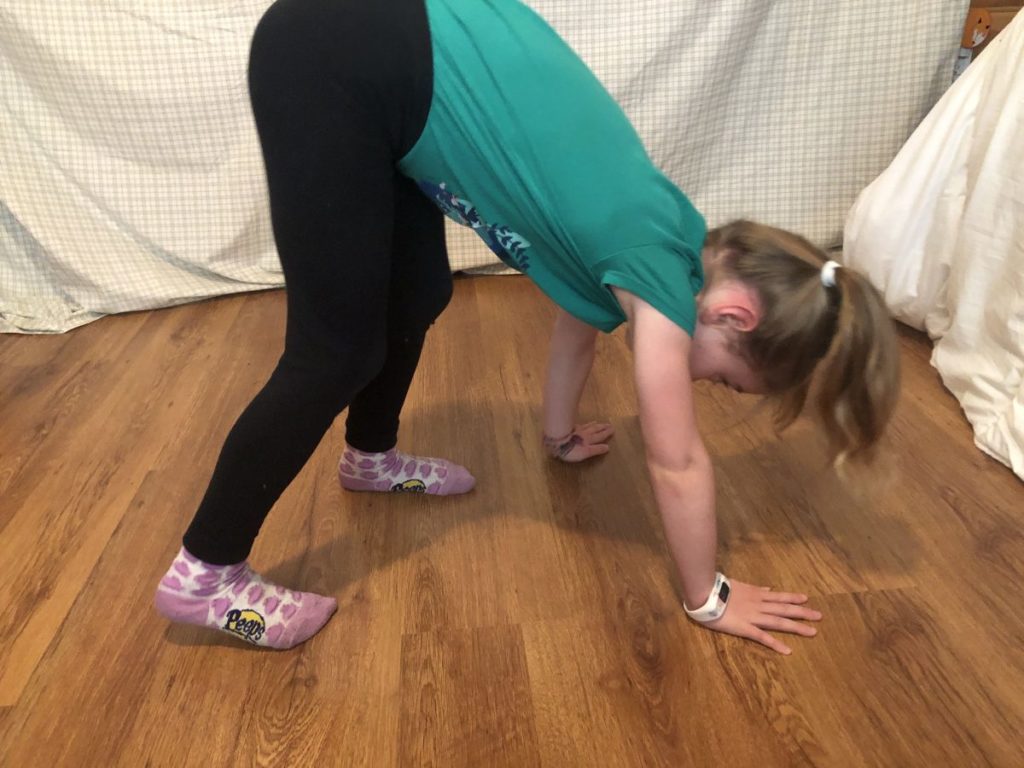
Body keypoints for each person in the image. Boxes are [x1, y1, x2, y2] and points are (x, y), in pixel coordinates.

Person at [155, 0, 900, 653]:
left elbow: (580, 322)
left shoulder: (672, 239)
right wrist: (710, 597)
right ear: (734, 314)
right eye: (725, 379)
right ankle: (206, 572)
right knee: (334, 351)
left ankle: (369, 457)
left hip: (388, 68)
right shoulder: (664, 290)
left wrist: (558, 434)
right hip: (334, 54)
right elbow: (677, 464)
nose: (696, 381)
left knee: (416, 293)